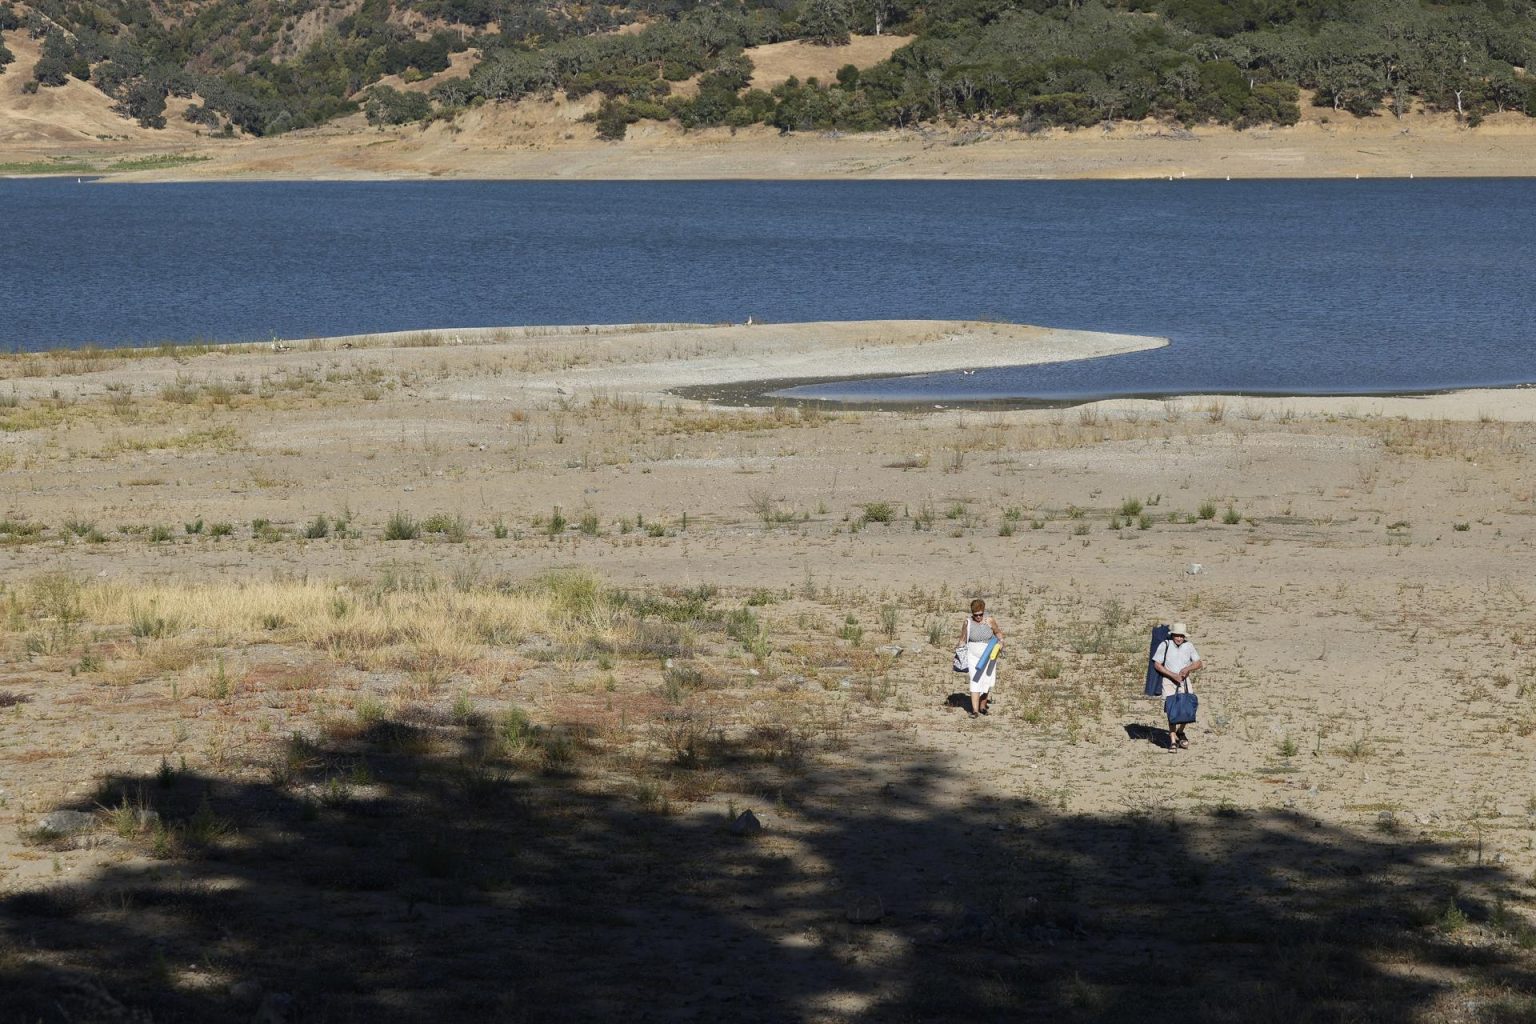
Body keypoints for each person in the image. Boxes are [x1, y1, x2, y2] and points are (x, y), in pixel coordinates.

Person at [1151, 622, 1203, 750]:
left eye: (1181, 636)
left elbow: (1198, 663)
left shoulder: (1189, 646)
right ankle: (1173, 740)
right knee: (1172, 711)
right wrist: (1172, 675)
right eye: (1177, 636)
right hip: (1168, 681)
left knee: (1187, 708)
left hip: (1184, 681)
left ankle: (1180, 731)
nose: (1179, 638)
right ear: (1172, 635)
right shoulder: (1165, 645)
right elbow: (1157, 664)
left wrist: (1187, 669)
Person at [957, 599, 1003, 719]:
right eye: (976, 615)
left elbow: (998, 633)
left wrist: (1001, 642)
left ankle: (983, 706)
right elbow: (963, 638)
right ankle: (975, 710)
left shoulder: (989, 620)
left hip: (989, 655)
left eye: (980, 614)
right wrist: (959, 652)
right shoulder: (968, 622)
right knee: (975, 680)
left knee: (987, 679)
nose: (978, 617)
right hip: (972, 655)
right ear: (972, 613)